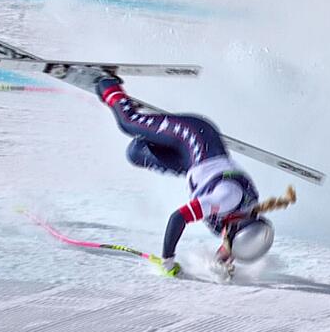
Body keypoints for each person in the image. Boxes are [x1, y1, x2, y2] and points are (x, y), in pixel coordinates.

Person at [94, 75, 271, 277]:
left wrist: (220, 267)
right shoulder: (226, 199)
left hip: (190, 163)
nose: (224, 246)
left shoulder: (242, 222)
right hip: (195, 136)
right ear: (235, 228)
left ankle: (149, 129)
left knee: (135, 153)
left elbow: (228, 251)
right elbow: (178, 218)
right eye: (227, 243)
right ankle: (106, 83)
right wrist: (167, 259)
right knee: (128, 123)